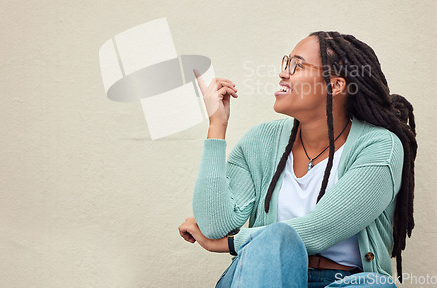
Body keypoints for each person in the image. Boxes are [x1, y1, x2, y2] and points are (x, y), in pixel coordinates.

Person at [178, 31, 417, 288]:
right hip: (267, 276)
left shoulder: (379, 146)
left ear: (335, 85)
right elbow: (215, 225)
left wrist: (228, 244)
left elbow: (319, 229)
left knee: (372, 285)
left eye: (297, 66)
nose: (283, 73)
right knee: (276, 240)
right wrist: (217, 124)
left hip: (344, 281)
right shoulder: (260, 141)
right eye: (286, 63)